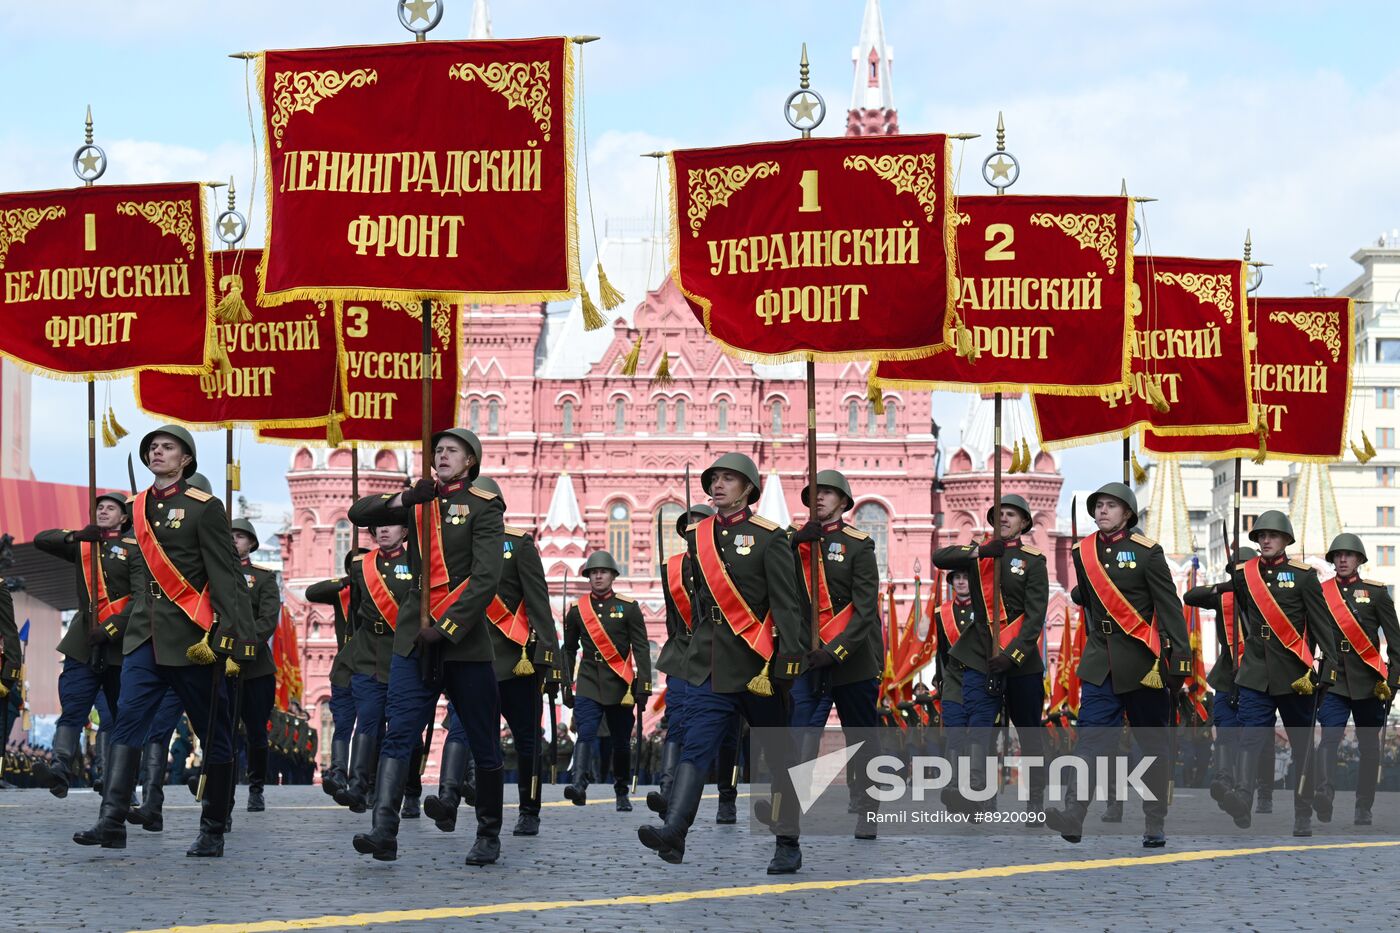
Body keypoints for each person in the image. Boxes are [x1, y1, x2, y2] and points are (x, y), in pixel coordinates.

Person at [74, 425, 255, 857]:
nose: (157, 452)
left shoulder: (204, 507)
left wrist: (233, 636)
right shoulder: (134, 507)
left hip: (192, 637)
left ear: (185, 460)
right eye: (152, 448)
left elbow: (225, 574)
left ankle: (213, 827)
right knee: (126, 726)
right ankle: (112, 820)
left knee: (214, 735)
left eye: (167, 447)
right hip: (144, 633)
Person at [637, 453, 807, 874]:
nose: (718, 485)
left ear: (748, 488)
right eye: (714, 479)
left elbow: (789, 604)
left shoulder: (769, 537)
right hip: (710, 662)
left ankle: (787, 841)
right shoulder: (699, 536)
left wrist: (788, 660)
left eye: (729, 479)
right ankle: (675, 833)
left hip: (758, 664)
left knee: (776, 755)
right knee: (697, 746)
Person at [346, 427, 506, 866]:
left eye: (452, 450)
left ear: (470, 461)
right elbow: (359, 512)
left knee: (481, 736)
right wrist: (403, 500)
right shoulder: (418, 502)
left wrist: (448, 625)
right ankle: (384, 831)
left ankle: (488, 835)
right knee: (399, 733)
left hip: (463, 640)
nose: (442, 455)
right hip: (414, 637)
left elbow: (486, 576)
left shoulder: (483, 507)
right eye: (437, 450)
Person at [1044, 482, 1191, 848]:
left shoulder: (1148, 552)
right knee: (1090, 741)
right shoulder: (1084, 552)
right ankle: (1074, 813)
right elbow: (1089, 599)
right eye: (1098, 506)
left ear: (1127, 514)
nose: (1102, 511)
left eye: (1111, 506)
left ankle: (1154, 820)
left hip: (1144, 664)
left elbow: (1169, 607)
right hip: (1100, 663)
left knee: (1152, 745)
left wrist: (1180, 660)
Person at [425, 475, 560, 836]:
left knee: (526, 739)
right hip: (468, 654)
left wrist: (550, 659)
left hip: (515, 660)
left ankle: (529, 810)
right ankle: (448, 800)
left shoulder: (517, 545)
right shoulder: (449, 548)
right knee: (460, 730)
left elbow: (538, 605)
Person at [1219, 510, 1336, 837]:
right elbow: (1240, 610)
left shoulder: (1302, 576)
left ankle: (1302, 813)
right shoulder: (1245, 575)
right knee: (1251, 737)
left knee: (1302, 746)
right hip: (1256, 670)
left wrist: (1327, 673)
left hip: (1295, 673)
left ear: (1286, 540)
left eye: (1272, 535)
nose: (1266, 540)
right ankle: (1243, 798)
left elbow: (1322, 627)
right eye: (1260, 536)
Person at [933, 493, 1048, 816]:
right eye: (999, 514)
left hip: (1020, 659)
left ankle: (1035, 798)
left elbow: (1035, 615)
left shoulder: (1033, 561)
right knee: (978, 728)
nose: (1005, 519)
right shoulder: (978, 555)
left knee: (1028, 733)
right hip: (980, 655)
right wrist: (980, 551)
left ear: (1025, 522)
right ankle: (973, 792)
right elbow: (941, 557)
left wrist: (1012, 655)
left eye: (1012, 514)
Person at [789, 469, 882, 838]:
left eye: (828, 493)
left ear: (844, 502)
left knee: (860, 736)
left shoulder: (859, 544)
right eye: (815, 493)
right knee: (797, 733)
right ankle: (789, 804)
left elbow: (864, 609)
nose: (820, 499)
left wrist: (838, 649)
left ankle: (867, 805)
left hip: (851, 658)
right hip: (808, 656)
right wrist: (795, 542)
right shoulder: (794, 542)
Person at [31, 492, 136, 798]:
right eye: (99, 507)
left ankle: (116, 779)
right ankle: (60, 768)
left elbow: (141, 599)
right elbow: (42, 539)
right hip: (83, 642)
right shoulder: (85, 544)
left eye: (111, 508)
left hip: (118, 644)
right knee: (73, 707)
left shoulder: (135, 550)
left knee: (121, 716)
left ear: (124, 518)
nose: (103, 511)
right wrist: (77, 535)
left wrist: (112, 628)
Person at [1314, 534, 1399, 826]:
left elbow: (1396, 644)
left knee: (1369, 747)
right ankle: (1323, 795)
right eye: (1338, 555)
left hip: (1369, 682)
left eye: (1349, 555)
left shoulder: (1375, 594)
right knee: (1329, 740)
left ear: (1360, 560)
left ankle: (1364, 806)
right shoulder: (1321, 592)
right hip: (1334, 679)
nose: (1342, 560)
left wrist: (1394, 683)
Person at [561, 550, 651, 811]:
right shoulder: (577, 610)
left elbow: (642, 647)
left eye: (603, 572)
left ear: (613, 576)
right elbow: (568, 649)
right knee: (585, 733)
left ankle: (621, 790)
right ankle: (579, 784)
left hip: (620, 682)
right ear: (588, 577)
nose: (598, 576)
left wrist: (643, 684)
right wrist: (567, 683)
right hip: (588, 678)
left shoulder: (629, 607)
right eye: (593, 572)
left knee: (620, 741)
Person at [335, 525, 412, 814]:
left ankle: (409, 790)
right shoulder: (361, 567)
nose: (382, 531)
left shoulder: (417, 563)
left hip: (403, 655)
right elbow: (354, 610)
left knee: (403, 728)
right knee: (367, 719)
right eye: (377, 527)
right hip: (368, 655)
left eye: (390, 526)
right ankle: (358, 785)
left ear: (405, 531)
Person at [648, 504, 715, 821]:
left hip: (716, 655)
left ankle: (726, 795)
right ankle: (666, 791)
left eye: (700, 525)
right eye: (688, 526)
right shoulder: (671, 568)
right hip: (681, 655)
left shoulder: (721, 565)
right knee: (676, 720)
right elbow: (673, 619)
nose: (693, 530)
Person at [1183, 546, 1256, 813]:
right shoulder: (1225, 595)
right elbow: (1190, 596)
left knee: (1250, 735)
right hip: (1228, 673)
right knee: (1225, 729)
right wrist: (1224, 587)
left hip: (1257, 672)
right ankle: (1224, 780)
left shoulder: (1265, 594)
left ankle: (1247, 791)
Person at [226, 518, 280, 818]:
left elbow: (268, 619)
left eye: (240, 536)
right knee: (224, 731)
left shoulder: (262, 578)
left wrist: (243, 646)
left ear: (252, 544)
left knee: (256, 731)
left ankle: (257, 786)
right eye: (230, 536)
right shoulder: (214, 574)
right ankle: (224, 787)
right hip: (222, 664)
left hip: (255, 667)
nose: (234, 541)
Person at [304, 547, 367, 799]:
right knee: (342, 723)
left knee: (370, 725)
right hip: (344, 669)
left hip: (372, 667)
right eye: (355, 566)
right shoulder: (342, 594)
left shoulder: (383, 591)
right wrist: (344, 581)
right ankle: (339, 771)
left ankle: (366, 777)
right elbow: (312, 592)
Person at [931, 567, 977, 810]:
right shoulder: (942, 612)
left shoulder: (983, 610)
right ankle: (952, 786)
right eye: (957, 578)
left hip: (978, 678)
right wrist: (940, 680)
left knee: (978, 738)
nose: (961, 582)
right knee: (955, 734)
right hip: (953, 680)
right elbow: (940, 650)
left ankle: (977, 790)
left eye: (965, 577)